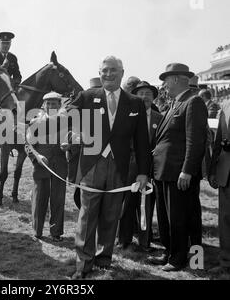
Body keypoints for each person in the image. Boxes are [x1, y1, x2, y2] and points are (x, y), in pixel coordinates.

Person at [68, 56, 150, 279]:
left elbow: (142, 141)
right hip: (91, 166)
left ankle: (104, 258)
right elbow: (69, 114)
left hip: (119, 168)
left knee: (111, 214)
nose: (108, 74)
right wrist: (75, 131)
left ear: (122, 73)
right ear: (100, 72)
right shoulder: (87, 96)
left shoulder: (135, 103)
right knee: (87, 215)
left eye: (113, 70)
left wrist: (143, 172)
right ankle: (83, 263)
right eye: (104, 70)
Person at [150, 63, 208, 271]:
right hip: (162, 171)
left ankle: (179, 258)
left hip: (179, 173)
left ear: (175, 79)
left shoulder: (193, 102)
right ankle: (169, 251)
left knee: (180, 217)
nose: (164, 85)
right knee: (165, 217)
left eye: (166, 80)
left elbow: (195, 141)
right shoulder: (173, 104)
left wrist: (187, 170)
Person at [118, 81, 163, 251]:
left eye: (148, 93)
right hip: (130, 163)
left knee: (146, 203)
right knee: (127, 202)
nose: (145, 97)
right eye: (141, 93)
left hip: (151, 165)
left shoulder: (160, 118)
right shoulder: (129, 114)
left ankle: (145, 241)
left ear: (153, 97)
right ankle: (124, 239)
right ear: (136, 96)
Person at [25, 92, 68, 242]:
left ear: (59, 105)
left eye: (54, 103)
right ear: (43, 105)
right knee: (39, 197)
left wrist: (68, 146)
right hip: (42, 165)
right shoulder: (35, 122)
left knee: (58, 198)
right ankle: (37, 231)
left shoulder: (66, 122)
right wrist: (37, 157)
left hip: (60, 164)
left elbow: (73, 140)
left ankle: (56, 232)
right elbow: (28, 145)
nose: (51, 106)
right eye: (48, 103)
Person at [209, 99, 230, 274]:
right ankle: (226, 262)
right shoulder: (225, 105)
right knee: (225, 220)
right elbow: (218, 141)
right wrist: (213, 169)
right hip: (226, 171)